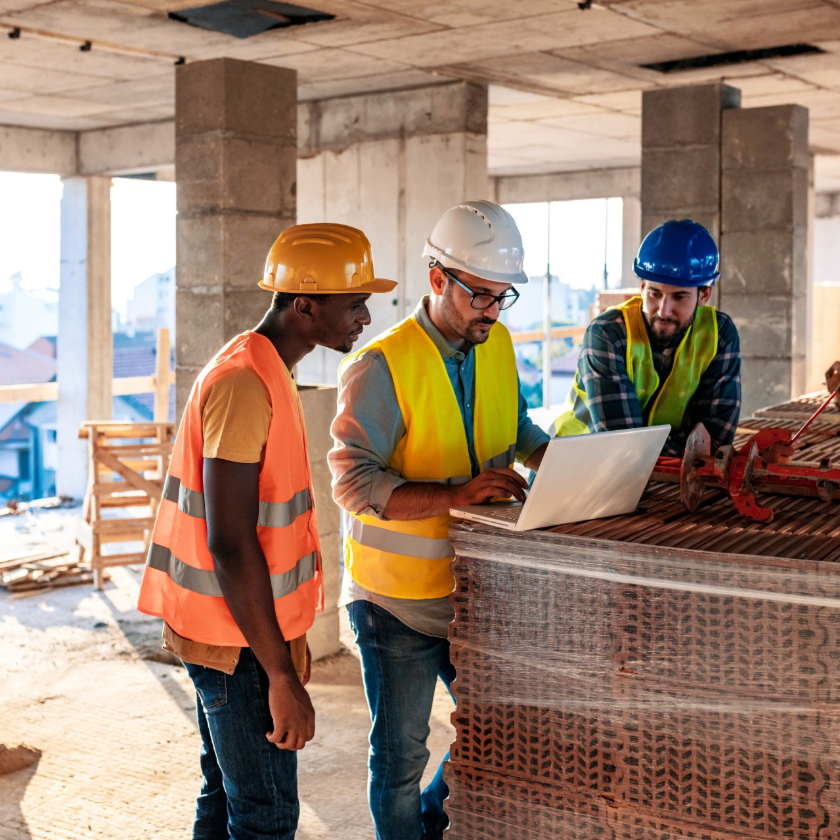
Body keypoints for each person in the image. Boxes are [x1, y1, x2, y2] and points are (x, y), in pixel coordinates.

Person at [137, 224, 395, 840]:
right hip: (237, 643)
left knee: (229, 797)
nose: (364, 316)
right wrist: (279, 675)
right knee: (267, 815)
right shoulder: (244, 384)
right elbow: (229, 541)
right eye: (353, 302)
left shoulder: (266, 367)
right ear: (305, 303)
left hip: (236, 629)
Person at [329, 200, 550, 840]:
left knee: (498, 727)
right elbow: (352, 481)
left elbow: (516, 426)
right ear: (437, 280)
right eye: (479, 294)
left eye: (502, 296)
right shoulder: (380, 367)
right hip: (395, 601)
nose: (491, 309)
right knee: (400, 758)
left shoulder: (499, 343)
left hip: (478, 592)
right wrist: (456, 495)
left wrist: (558, 460)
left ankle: (428, 826)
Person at [551, 219, 756, 456]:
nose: (663, 310)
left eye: (679, 297)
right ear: (641, 287)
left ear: (704, 294)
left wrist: (698, 454)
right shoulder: (608, 334)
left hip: (654, 477)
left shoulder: (719, 335)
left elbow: (716, 440)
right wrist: (692, 453)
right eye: (654, 293)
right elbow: (623, 445)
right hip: (570, 468)